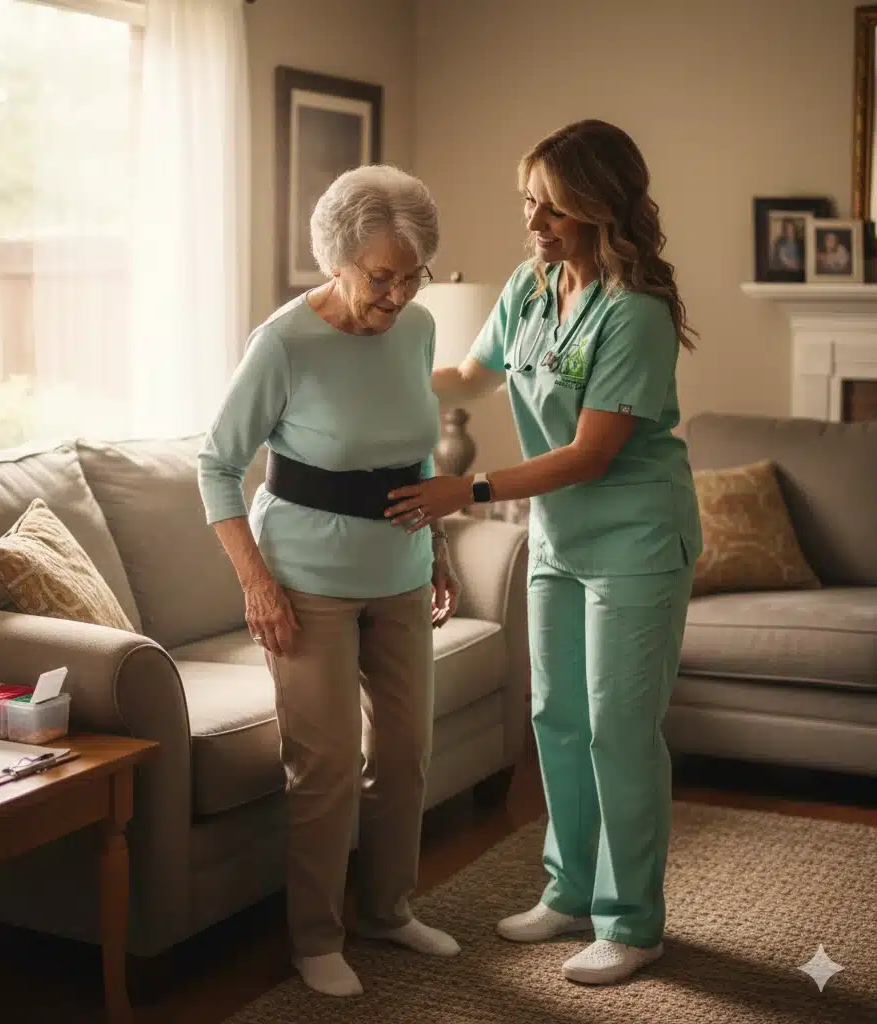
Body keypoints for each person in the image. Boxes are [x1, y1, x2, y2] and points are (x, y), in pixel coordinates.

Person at [385, 120, 703, 985]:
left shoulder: (636, 314)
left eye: (551, 208)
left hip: (636, 537)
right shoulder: (530, 290)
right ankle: (569, 894)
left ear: (599, 208)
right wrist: (366, 353)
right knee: (555, 717)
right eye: (529, 202)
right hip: (560, 537)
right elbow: (466, 379)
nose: (533, 223)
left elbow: (591, 454)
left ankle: (631, 922)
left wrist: (470, 490)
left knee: (620, 730)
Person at [198, 165, 462, 998]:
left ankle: (387, 910)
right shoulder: (284, 342)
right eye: (381, 276)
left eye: (411, 274)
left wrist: (441, 545)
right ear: (335, 260)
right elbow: (215, 466)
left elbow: (414, 446)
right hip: (306, 581)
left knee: (407, 753)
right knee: (326, 768)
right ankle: (316, 936)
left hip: (402, 572)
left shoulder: (417, 328)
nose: (397, 294)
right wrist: (257, 584)